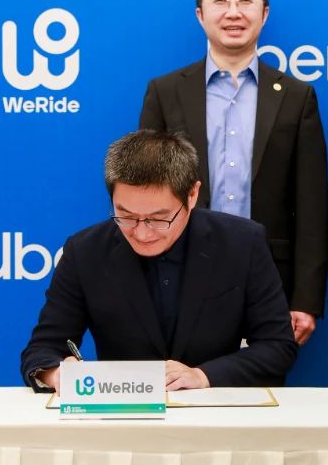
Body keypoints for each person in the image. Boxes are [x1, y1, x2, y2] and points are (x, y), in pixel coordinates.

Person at [139, 0, 328, 346]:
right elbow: (144, 193)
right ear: (200, 14)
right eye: (220, 1)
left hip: (267, 280)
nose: (233, 12)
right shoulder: (166, 92)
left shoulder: (296, 97)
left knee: (258, 381)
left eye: (245, 1)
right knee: (180, 380)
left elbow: (312, 207)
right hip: (178, 273)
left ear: (264, 14)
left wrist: (306, 300)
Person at [19, 130, 297, 392]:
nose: (142, 233)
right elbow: (43, 349)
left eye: (159, 219)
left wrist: (202, 376)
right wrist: (58, 374)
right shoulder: (84, 251)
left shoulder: (242, 243)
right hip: (123, 413)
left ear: (192, 195)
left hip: (215, 410)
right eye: (126, 216)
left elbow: (277, 347)